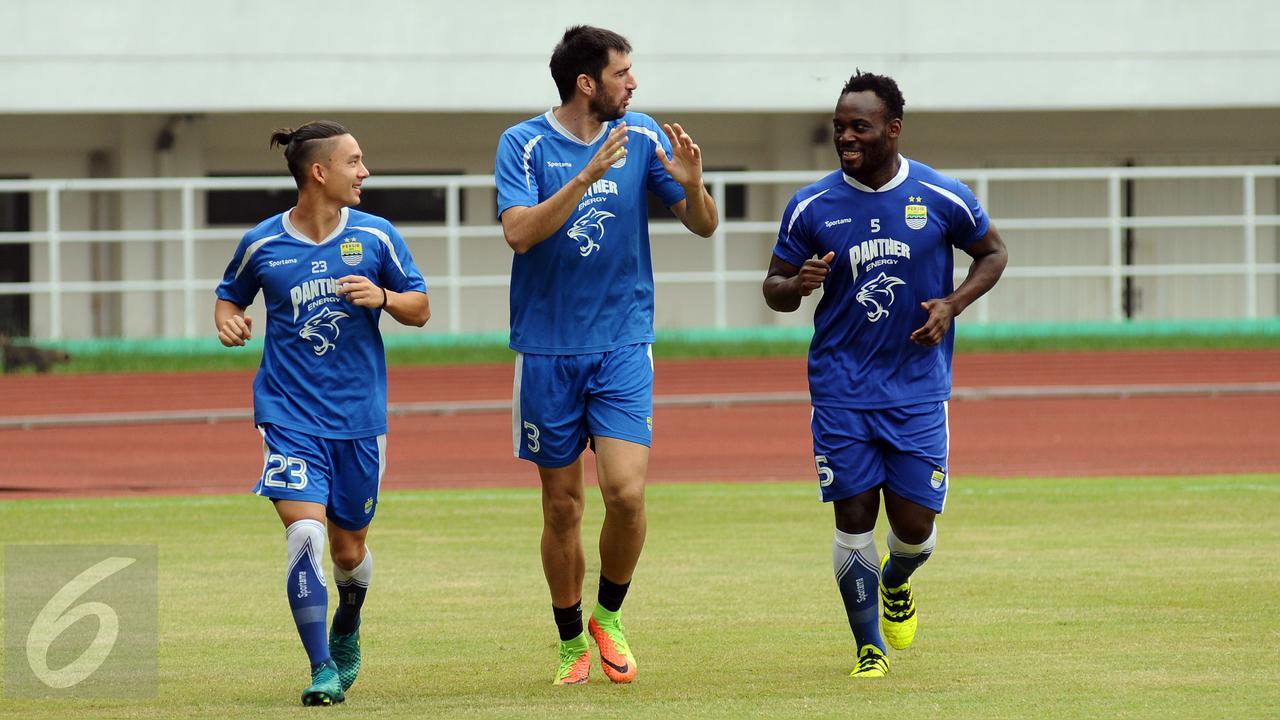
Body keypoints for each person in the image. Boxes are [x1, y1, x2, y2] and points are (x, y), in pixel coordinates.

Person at [763, 71, 1008, 679]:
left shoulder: (943, 196)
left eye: (859, 127)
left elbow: (994, 252)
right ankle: (868, 647)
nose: (845, 137)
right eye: (839, 127)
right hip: (841, 389)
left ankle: (897, 581)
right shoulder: (811, 205)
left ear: (892, 130)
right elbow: (774, 288)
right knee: (853, 520)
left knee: (914, 529)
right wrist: (796, 285)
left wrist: (952, 305)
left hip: (918, 389)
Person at [493, 25, 718, 685]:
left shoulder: (644, 136)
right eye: (623, 71)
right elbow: (519, 234)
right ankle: (570, 645)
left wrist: (695, 185)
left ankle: (609, 615)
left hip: (622, 340)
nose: (634, 83)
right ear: (587, 82)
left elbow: (704, 226)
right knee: (562, 505)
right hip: (546, 350)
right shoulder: (523, 144)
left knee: (625, 492)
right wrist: (586, 175)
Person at [215, 120, 429, 705]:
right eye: (355, 161)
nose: (365, 172)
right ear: (319, 172)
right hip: (287, 416)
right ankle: (322, 668)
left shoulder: (377, 237)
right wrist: (227, 318)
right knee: (305, 533)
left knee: (348, 550)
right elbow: (230, 292)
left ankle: (349, 621)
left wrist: (383, 297)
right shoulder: (263, 242)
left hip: (360, 421)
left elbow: (421, 308)